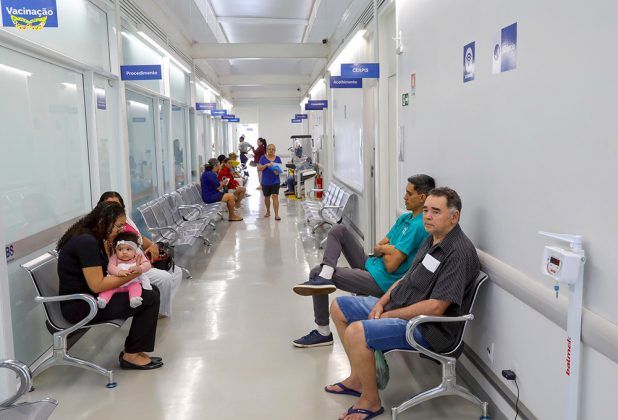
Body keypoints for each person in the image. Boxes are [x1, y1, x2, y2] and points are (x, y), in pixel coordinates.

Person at [327, 187, 480, 420]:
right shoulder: (432, 239)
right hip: (400, 307)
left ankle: (370, 401)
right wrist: (382, 303)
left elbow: (436, 307)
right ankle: (358, 380)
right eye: (426, 210)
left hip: (428, 327)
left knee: (357, 332)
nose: (427, 216)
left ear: (454, 216)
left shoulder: (457, 252)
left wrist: (389, 315)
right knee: (339, 307)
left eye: (436, 211)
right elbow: (406, 278)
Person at [291, 174, 435, 348]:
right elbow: (377, 246)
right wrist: (389, 250)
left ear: (422, 197)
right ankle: (325, 276)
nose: (404, 197)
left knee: (316, 272)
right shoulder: (405, 218)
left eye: (409, 194)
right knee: (338, 230)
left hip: (382, 280)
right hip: (372, 264)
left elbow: (391, 266)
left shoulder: (419, 226)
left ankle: (323, 333)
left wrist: (384, 250)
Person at [57, 202, 162, 369]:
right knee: (149, 297)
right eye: (118, 226)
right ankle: (131, 355)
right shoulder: (86, 242)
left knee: (152, 291)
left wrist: (134, 268)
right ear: (103, 221)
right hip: (81, 305)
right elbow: (97, 285)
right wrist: (135, 273)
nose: (121, 230)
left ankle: (134, 350)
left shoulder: (92, 238)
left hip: (90, 298)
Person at [98, 192, 182, 317]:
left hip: (139, 262)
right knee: (165, 278)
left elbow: (139, 238)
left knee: (177, 272)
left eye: (116, 206)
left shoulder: (126, 222)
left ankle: (160, 309)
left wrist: (152, 245)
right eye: (108, 205)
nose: (113, 209)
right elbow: (110, 257)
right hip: (124, 268)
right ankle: (156, 309)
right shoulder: (108, 227)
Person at [99, 232, 153, 309]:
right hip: (117, 283)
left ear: (135, 250)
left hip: (131, 282)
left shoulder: (138, 256)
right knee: (108, 288)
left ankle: (134, 299)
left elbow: (147, 264)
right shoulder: (114, 257)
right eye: (120, 249)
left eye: (128, 249)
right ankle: (103, 300)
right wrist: (119, 272)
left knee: (136, 286)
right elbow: (110, 267)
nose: (124, 252)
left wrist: (140, 268)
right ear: (115, 250)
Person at [257, 144, 283, 220]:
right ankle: (268, 211)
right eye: (269, 149)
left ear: (275, 150)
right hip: (265, 181)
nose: (271, 151)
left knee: (275, 196)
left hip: (275, 181)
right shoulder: (262, 158)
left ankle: (276, 215)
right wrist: (266, 165)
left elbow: (280, 170)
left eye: (273, 149)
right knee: (267, 197)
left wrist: (277, 172)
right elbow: (259, 168)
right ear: (267, 150)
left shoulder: (278, 158)